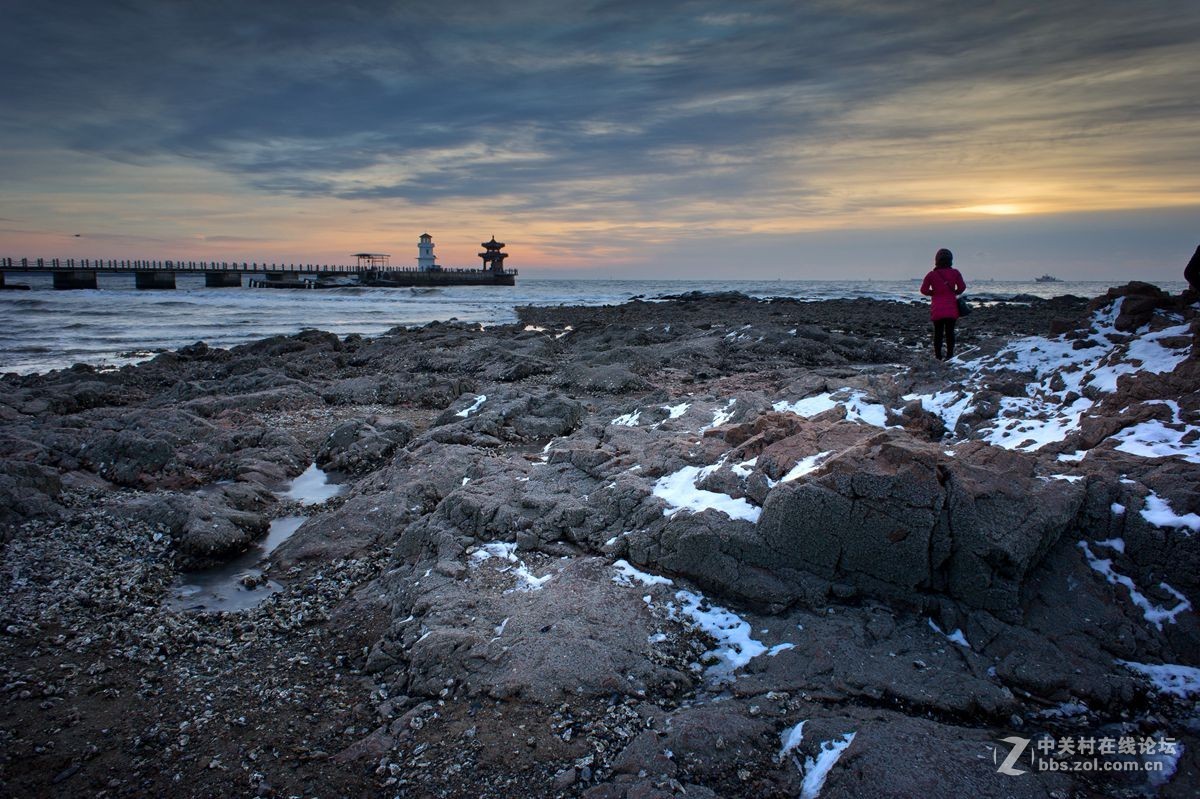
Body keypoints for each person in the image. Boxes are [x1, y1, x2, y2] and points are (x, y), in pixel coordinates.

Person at [919, 248, 966, 360]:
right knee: (950, 332)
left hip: (937, 309)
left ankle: (938, 356)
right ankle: (950, 355)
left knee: (938, 334)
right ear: (950, 260)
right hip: (951, 308)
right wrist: (954, 292)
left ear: (937, 260)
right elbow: (962, 287)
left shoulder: (931, 275)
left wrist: (934, 292)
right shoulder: (955, 273)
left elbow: (923, 290)